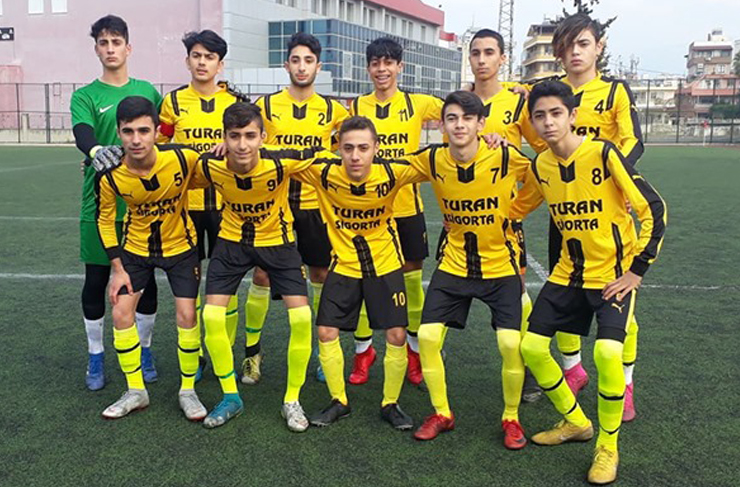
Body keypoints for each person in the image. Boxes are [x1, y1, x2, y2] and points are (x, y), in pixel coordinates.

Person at [512, 81, 666, 484]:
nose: (548, 122)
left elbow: (654, 209)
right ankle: (576, 422)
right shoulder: (541, 166)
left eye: (555, 113)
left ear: (573, 116)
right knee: (531, 347)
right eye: (539, 116)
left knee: (607, 353)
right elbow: (517, 207)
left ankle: (607, 447)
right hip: (568, 273)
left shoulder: (603, 153)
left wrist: (636, 271)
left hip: (613, 275)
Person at [402, 91, 531, 449]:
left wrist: (516, 211)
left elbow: (544, 175)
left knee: (510, 343)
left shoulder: (504, 155)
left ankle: (511, 417)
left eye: (467, 118)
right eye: (452, 118)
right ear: (442, 125)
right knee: (427, 337)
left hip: (500, 264)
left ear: (481, 124)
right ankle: (441, 412)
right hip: (454, 263)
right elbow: (390, 170)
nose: (459, 125)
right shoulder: (433, 159)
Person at [537, 13, 644, 420]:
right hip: (566, 209)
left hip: (608, 210)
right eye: (566, 46)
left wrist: (617, 180)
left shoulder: (614, 91)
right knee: (567, 291)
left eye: (583, 43)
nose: (575, 52)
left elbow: (632, 140)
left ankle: (625, 383)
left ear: (599, 47)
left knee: (621, 301)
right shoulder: (552, 94)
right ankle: (573, 370)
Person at [191, 103, 317, 432]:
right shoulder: (210, 164)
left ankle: (292, 399)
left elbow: (332, 160)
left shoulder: (281, 161)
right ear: (224, 137)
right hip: (231, 242)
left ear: (263, 137)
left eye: (250, 136)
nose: (242, 144)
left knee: (302, 318)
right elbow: (166, 162)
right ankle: (230, 396)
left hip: (279, 243)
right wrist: (108, 160)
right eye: (234, 136)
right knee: (211, 316)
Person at [295, 116, 426, 429]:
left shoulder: (392, 172)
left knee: (396, 335)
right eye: (348, 148)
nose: (355, 156)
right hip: (343, 265)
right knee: (326, 331)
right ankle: (338, 401)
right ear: (338, 148)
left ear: (376, 148)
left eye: (363, 148)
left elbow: (441, 161)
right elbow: (276, 157)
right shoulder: (324, 172)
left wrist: (489, 141)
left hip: (385, 264)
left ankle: (390, 403)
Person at [94, 96, 208, 421]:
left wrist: (223, 152)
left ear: (157, 131)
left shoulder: (183, 157)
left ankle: (188, 390)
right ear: (118, 132)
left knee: (187, 315)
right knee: (120, 313)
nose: (136, 139)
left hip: (181, 248)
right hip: (136, 252)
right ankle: (136, 391)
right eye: (128, 131)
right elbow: (105, 220)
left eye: (144, 131)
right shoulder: (109, 175)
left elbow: (215, 173)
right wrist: (117, 268)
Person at [246, 32, 348, 385]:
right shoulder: (266, 106)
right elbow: (246, 140)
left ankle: (323, 352)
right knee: (262, 275)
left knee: (320, 275)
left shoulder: (335, 111)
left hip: (316, 207)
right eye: (295, 60)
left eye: (308, 61)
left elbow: (350, 146)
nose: (301, 67)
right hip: (274, 207)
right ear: (286, 64)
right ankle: (252, 354)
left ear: (318, 66)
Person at [70, 15, 161, 391]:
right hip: (99, 205)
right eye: (103, 43)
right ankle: (96, 355)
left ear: (128, 47)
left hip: (143, 205)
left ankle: (145, 349)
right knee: (95, 281)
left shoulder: (148, 91)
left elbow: (163, 136)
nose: (110, 49)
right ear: (96, 49)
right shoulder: (85, 96)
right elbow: (83, 133)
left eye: (116, 42)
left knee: (146, 284)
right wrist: (95, 152)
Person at [347, 37, 443, 386]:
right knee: (360, 280)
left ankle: (414, 354)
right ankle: (363, 352)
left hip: (407, 209)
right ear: (368, 68)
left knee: (412, 283)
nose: (382, 69)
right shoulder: (355, 106)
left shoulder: (418, 103)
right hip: (366, 210)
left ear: (400, 67)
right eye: (376, 63)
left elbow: (465, 108)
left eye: (388, 62)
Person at [158, 29, 248, 380]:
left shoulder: (236, 104)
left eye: (210, 57)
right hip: (185, 207)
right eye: (196, 55)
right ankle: (194, 355)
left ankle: (223, 350)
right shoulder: (173, 102)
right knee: (189, 285)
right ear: (187, 61)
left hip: (227, 207)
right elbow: (159, 147)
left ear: (220, 64)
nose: (202, 62)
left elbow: (251, 146)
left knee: (228, 284)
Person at [467, 28, 549, 402]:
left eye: (489, 52)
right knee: (450, 293)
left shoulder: (517, 104)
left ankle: (528, 367)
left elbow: (544, 150)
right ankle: (426, 358)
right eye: (475, 53)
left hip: (504, 218)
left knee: (513, 293)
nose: (482, 59)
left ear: (502, 58)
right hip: (461, 218)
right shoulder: (461, 102)